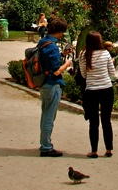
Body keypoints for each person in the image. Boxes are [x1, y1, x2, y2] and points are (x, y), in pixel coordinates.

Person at [79, 30, 118, 158]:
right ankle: (108, 149)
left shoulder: (83, 55)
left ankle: (94, 150)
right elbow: (112, 73)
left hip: (91, 90)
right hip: (106, 88)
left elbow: (84, 75)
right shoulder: (105, 53)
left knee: (93, 122)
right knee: (106, 120)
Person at [38, 17, 73, 157]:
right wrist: (67, 64)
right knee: (49, 116)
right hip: (52, 83)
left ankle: (44, 142)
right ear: (59, 31)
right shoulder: (52, 46)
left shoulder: (43, 42)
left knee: (45, 113)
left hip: (43, 82)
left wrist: (62, 55)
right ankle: (46, 146)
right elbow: (56, 70)